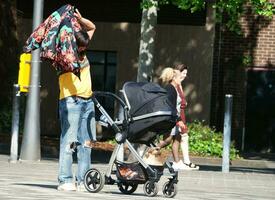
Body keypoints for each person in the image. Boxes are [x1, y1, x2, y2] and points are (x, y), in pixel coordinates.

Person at [57, 8, 96, 191]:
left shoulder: (83, 49)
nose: (83, 49)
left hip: (88, 101)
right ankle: (65, 180)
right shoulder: (63, 54)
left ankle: (83, 180)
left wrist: (80, 20)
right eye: (81, 46)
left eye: (85, 47)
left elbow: (92, 27)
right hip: (71, 101)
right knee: (69, 141)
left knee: (86, 143)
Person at [157, 65, 199, 171]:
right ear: (174, 78)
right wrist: (178, 120)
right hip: (172, 118)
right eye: (180, 77)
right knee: (167, 140)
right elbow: (171, 106)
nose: (182, 78)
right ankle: (149, 150)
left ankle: (177, 162)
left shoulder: (174, 88)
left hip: (174, 117)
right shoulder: (171, 89)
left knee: (177, 138)